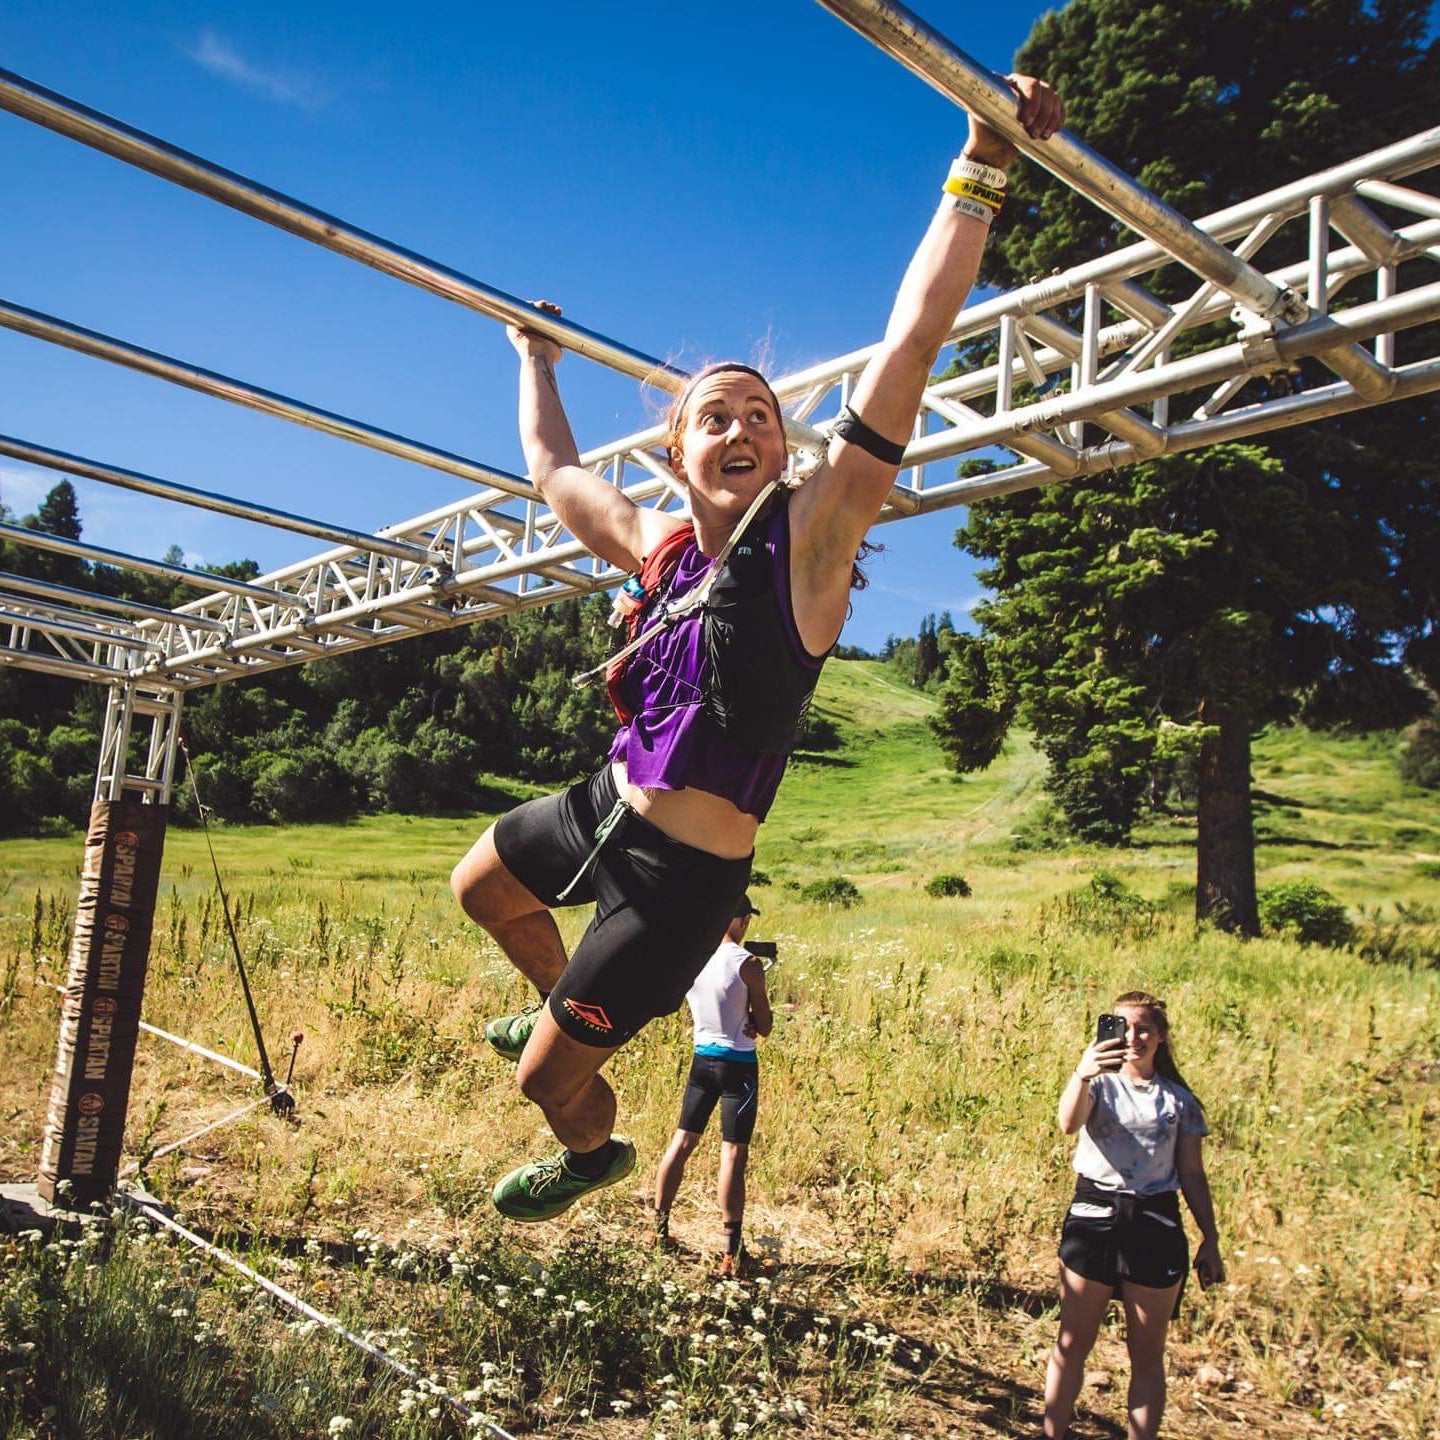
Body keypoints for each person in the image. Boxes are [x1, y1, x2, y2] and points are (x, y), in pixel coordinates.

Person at [448, 74, 1065, 1223]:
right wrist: (535, 356)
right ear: (677, 453)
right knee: (478, 885)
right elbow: (552, 470)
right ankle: (559, 1001)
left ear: (782, 451)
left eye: (761, 416)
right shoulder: (658, 546)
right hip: (605, 807)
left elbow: (912, 345)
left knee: (546, 1084)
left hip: (679, 885)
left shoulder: (810, 548)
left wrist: (981, 165)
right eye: (715, 416)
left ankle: (592, 1150)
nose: (741, 427)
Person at [1043, 992, 1224, 1440]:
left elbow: (1192, 1173)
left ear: (1161, 1036)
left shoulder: (1180, 1101)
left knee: (1146, 1355)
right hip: (1095, 1215)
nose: (1133, 1037)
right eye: (1123, 1027)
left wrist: (1211, 1237)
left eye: (1144, 1028)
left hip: (1154, 1223)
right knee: (1072, 1343)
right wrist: (1082, 1072)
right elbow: (1067, 1124)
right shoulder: (1098, 1084)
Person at [652, 895, 773, 1277]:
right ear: (741, 920)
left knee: (682, 1142)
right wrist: (752, 1017)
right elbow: (765, 1026)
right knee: (733, 1153)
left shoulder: (694, 958)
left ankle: (658, 1231)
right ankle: (732, 1253)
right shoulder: (748, 964)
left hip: (702, 1061)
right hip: (739, 1065)